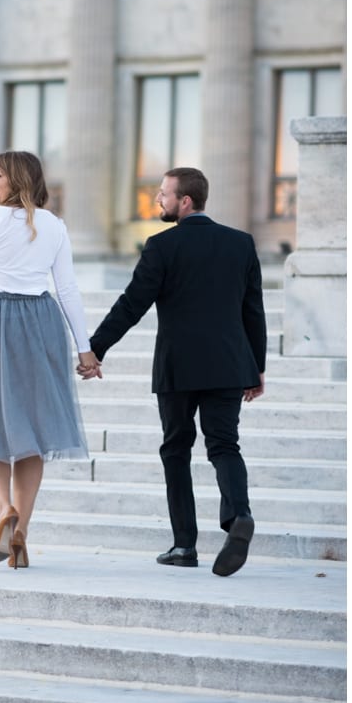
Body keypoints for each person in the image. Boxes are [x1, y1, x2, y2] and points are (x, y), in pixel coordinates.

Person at [79, 167, 266, 577]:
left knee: (176, 450)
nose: (158, 201)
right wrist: (257, 367)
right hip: (229, 364)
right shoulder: (241, 244)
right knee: (224, 446)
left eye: (164, 194)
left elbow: (133, 304)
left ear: (185, 201)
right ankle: (239, 518)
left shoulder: (162, 247)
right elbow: (253, 309)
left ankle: (184, 546)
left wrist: (94, 349)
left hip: (178, 367)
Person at [0, 150, 102, 569]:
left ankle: (4, 513)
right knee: (33, 429)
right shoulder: (55, 225)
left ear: (15, 179)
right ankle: (22, 534)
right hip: (42, 321)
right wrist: (84, 347)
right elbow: (67, 289)